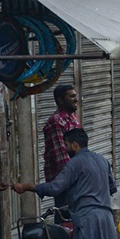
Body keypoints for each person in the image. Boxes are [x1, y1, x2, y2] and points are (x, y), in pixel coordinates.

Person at [43, 84, 81, 218]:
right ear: (60, 100)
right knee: (66, 220)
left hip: (75, 179)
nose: (76, 99)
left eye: (75, 96)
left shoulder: (73, 119)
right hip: (64, 182)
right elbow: (62, 159)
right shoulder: (56, 121)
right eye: (71, 96)